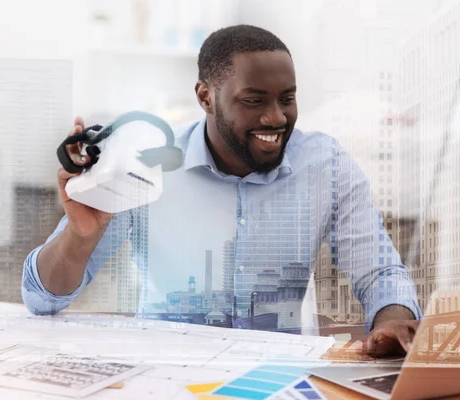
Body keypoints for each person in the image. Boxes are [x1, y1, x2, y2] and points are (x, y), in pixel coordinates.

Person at [22, 25, 421, 357]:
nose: (276, 117)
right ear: (205, 97)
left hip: (276, 377)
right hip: (167, 375)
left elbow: (380, 271)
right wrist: (79, 236)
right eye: (254, 100)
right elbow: (44, 300)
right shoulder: (146, 164)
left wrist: (391, 321)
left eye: (288, 98)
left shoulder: (327, 165)